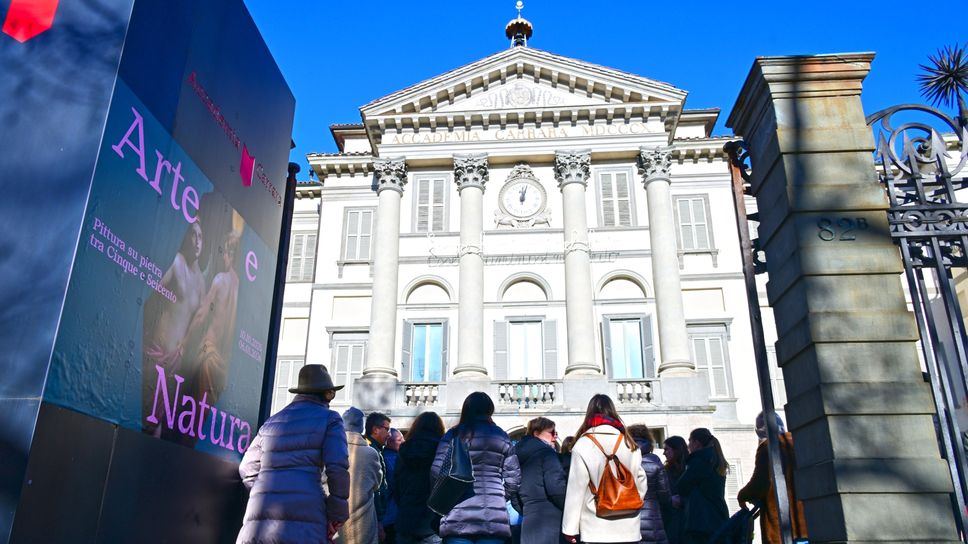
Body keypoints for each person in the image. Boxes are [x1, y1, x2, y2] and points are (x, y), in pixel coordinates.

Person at [237, 364, 350, 544]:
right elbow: (337, 466)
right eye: (330, 393)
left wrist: (264, 492)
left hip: (260, 519)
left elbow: (246, 468)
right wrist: (336, 514)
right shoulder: (330, 419)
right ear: (324, 393)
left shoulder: (271, 422)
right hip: (307, 515)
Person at [142, 220, 206, 436]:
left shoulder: (201, 283)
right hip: (157, 352)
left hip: (177, 361)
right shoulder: (176, 263)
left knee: (159, 418)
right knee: (147, 418)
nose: (197, 241)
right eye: (193, 235)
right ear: (186, 237)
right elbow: (152, 299)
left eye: (201, 236)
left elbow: (199, 322)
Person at [431, 392, 521, 544]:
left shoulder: (453, 434)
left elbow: (436, 472)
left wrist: (447, 494)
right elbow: (514, 480)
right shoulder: (501, 436)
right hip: (493, 517)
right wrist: (498, 496)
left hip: (456, 513)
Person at [562, 394, 647, 544]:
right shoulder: (630, 443)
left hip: (595, 527)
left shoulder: (582, 444)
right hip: (629, 527)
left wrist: (570, 528)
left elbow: (576, 489)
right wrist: (630, 500)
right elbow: (641, 481)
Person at [737, 413, 808, 544]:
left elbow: (760, 483)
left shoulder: (767, 448)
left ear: (762, 430)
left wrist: (742, 495)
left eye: (758, 429)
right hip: (806, 522)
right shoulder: (798, 442)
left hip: (781, 525)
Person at [512, 417, 567, 544]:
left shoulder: (516, 455)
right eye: (552, 433)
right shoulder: (547, 453)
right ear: (536, 433)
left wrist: (526, 509)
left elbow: (513, 490)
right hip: (551, 519)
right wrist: (567, 508)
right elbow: (556, 487)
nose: (554, 437)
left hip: (529, 520)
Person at [395, 412, 446, 544]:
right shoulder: (441, 449)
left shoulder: (404, 450)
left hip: (406, 519)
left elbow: (395, 485)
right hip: (432, 521)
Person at [336, 407, 384, 544]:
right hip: (362, 522)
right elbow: (377, 484)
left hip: (336, 519)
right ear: (361, 427)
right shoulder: (370, 453)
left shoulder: (332, 449)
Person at [676, 428, 729, 544]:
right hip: (717, 515)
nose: (688, 445)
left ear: (697, 443)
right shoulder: (715, 458)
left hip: (701, 520)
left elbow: (682, 485)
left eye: (690, 441)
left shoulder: (700, 460)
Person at [628, 425, 671, 544]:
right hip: (652, 518)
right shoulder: (654, 460)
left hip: (628, 520)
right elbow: (664, 496)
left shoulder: (622, 461)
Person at [365, 411, 392, 539]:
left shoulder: (376, 449)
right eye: (387, 429)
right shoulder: (371, 451)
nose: (389, 434)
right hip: (372, 517)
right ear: (375, 429)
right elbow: (377, 489)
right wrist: (380, 521)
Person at [660, 437, 688, 544]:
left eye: (667, 449)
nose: (664, 453)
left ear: (677, 449)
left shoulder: (691, 468)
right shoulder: (665, 471)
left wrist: (683, 500)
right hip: (671, 522)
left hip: (689, 522)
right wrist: (669, 500)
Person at [384, 428, 404, 544]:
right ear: (390, 442)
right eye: (399, 440)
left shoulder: (382, 456)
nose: (403, 441)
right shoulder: (394, 460)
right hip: (392, 514)